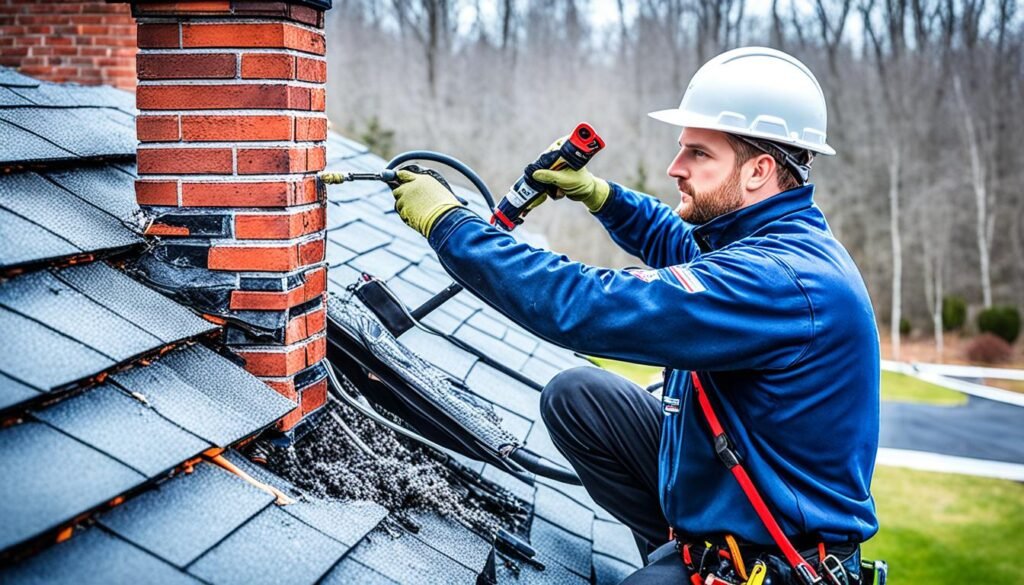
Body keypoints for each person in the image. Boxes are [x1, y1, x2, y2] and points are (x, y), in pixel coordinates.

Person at [388, 47, 880, 583]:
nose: (675, 168)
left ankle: (699, 564)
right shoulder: (768, 240)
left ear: (760, 169)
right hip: (734, 502)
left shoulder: (781, 281)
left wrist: (451, 226)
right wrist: (601, 196)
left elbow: (588, 305)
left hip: (777, 564)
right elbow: (680, 243)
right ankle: (679, 545)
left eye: (698, 154)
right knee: (580, 397)